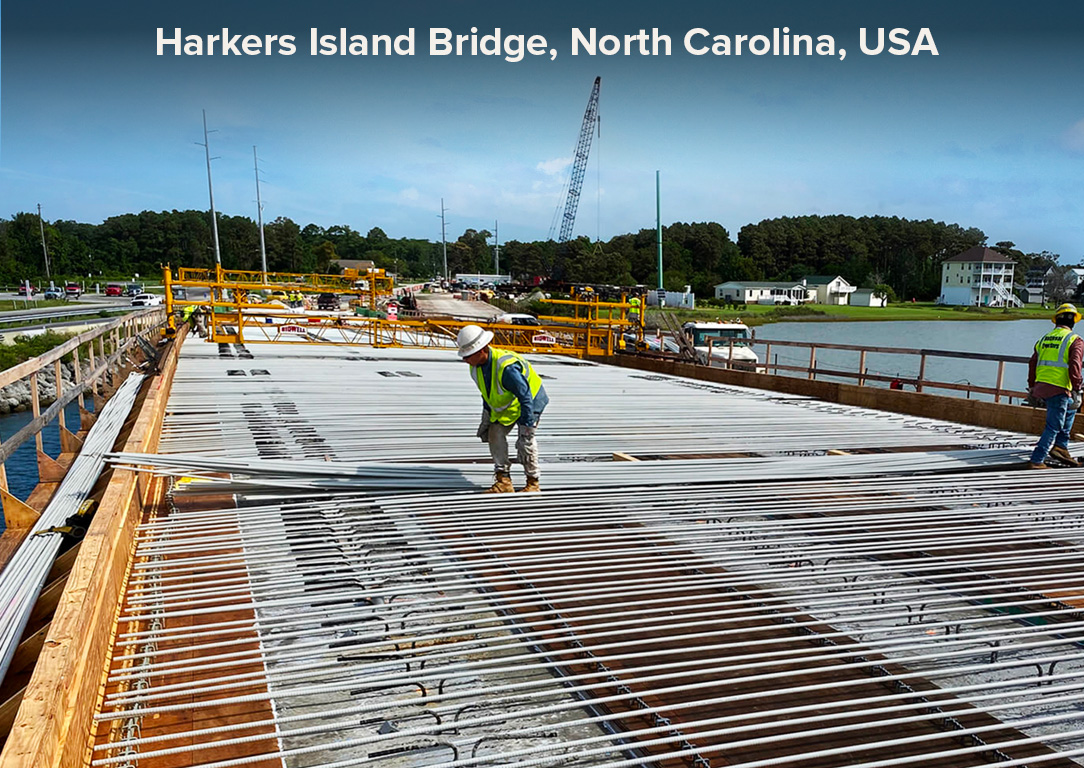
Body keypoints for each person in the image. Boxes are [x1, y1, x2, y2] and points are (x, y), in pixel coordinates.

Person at [457, 325, 549, 493]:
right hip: (509, 404)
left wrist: (526, 429)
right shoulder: (475, 368)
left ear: (482, 350)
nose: (465, 360)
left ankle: (533, 482)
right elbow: (487, 393)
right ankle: (504, 481)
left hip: (530, 401)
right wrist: (486, 419)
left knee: (526, 443)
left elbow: (525, 396)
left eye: (468, 355)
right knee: (495, 434)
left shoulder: (506, 368)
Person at [1027, 302, 1083, 469]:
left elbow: (1032, 363)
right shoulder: (1075, 340)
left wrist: (1031, 386)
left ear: (1056, 321)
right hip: (1058, 388)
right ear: (1074, 321)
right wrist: (1077, 388)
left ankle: (1061, 447)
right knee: (1054, 425)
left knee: (1070, 409)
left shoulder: (1044, 338)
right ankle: (1037, 459)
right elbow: (1075, 366)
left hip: (1041, 386)